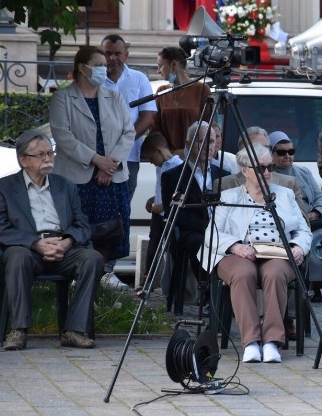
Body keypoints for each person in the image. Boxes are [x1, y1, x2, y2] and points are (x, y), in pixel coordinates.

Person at [0, 129, 104, 351]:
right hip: (27, 248)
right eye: (40, 155)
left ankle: (74, 330)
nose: (48, 159)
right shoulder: (2, 188)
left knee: (92, 258)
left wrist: (66, 242)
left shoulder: (65, 186)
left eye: (50, 153)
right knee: (17, 257)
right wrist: (35, 243)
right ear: (23, 160)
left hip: (63, 247)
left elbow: (82, 225)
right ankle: (19, 330)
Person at [201, 145, 311, 364]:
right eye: (261, 168)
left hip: (276, 252)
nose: (268, 172)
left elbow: (303, 230)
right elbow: (211, 232)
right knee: (243, 274)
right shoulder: (229, 196)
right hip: (239, 253)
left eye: (270, 167)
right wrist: (235, 247)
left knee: (275, 273)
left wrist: (299, 246)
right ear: (244, 171)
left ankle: (271, 341)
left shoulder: (285, 195)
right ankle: (251, 342)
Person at [49, 45, 135, 269]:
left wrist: (110, 165)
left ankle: (105, 276)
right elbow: (63, 137)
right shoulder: (63, 98)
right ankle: (77, 276)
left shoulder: (114, 97)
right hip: (77, 179)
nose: (103, 70)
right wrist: (97, 160)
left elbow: (128, 132)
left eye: (104, 66)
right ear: (82, 68)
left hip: (113, 178)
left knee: (112, 231)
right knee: (79, 230)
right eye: (98, 66)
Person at [161, 122, 229, 308]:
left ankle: (226, 296)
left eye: (212, 141)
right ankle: (212, 295)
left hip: (221, 229)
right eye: (202, 141)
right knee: (202, 244)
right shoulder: (172, 176)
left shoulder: (224, 174)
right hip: (190, 231)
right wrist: (207, 227)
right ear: (189, 143)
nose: (208, 147)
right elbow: (173, 211)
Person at [100, 34, 156, 200]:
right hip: (98, 156)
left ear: (126, 55)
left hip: (129, 156)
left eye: (117, 54)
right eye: (107, 53)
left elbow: (147, 118)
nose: (112, 58)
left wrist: (121, 145)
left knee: (123, 207)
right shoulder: (93, 80)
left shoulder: (139, 79)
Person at [141, 132, 183, 284]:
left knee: (170, 247)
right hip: (158, 214)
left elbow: (179, 194)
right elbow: (161, 189)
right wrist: (153, 200)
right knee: (153, 245)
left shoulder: (178, 167)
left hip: (170, 214)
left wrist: (163, 206)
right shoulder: (160, 167)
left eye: (151, 158)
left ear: (159, 151)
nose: (151, 163)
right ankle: (148, 278)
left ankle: (172, 280)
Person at [154, 46, 212, 155]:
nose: (158, 71)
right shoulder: (162, 91)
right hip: (169, 159)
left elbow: (208, 125)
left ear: (174, 64)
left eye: (160, 65)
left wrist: (188, 151)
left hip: (194, 157)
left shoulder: (201, 89)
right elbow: (155, 128)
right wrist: (167, 152)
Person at [269, 131, 322, 227]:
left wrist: (316, 212)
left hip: (313, 223)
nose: (287, 156)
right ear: (271, 154)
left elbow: (320, 196)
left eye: (291, 152)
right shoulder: (267, 176)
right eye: (281, 153)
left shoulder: (304, 172)